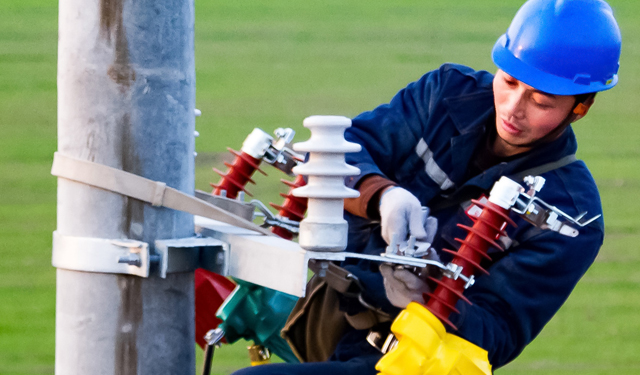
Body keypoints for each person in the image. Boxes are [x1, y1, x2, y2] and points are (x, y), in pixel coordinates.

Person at [233, 0, 622, 373]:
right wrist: (381, 195)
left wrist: (427, 297)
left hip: (406, 360)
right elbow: (341, 153)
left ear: (580, 109)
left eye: (540, 100)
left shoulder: (571, 217)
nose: (512, 108)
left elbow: (499, 333)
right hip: (323, 310)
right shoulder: (444, 94)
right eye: (509, 81)